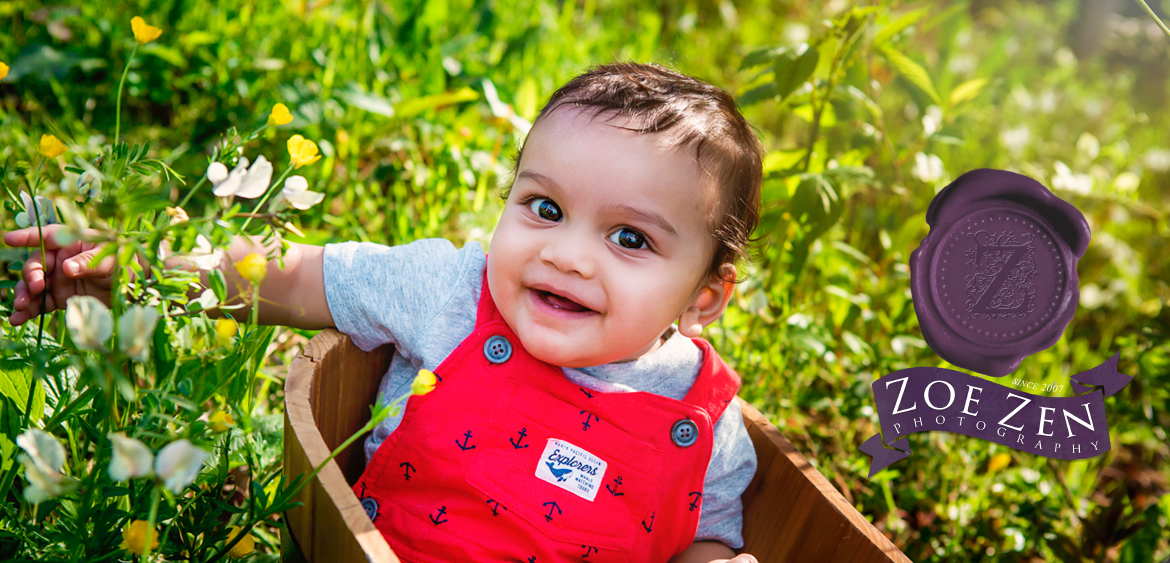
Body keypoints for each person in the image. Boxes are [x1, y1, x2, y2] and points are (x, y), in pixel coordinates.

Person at [6, 63, 764, 563]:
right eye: (544, 206)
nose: (567, 254)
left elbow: (702, 539)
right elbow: (293, 277)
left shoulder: (706, 422)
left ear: (704, 296)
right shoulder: (449, 292)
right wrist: (140, 264)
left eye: (629, 237)